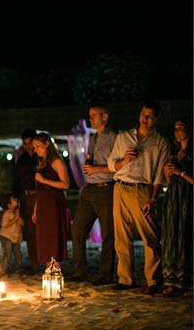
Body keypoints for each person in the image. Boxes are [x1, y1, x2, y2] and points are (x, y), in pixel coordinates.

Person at [107, 101, 170, 294]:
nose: (145, 118)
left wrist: (152, 198)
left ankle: (153, 280)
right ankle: (125, 278)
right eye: (143, 113)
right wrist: (123, 161)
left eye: (150, 115)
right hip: (120, 187)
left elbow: (160, 174)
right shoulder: (124, 137)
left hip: (142, 189)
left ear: (156, 119)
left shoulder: (160, 142)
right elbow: (111, 163)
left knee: (149, 236)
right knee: (121, 236)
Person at [70, 103, 118, 285]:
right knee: (77, 231)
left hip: (106, 188)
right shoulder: (93, 138)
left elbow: (119, 167)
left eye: (94, 115)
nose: (90, 119)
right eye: (90, 116)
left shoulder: (114, 138)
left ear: (104, 117)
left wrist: (97, 168)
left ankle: (105, 274)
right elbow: (89, 160)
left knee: (108, 235)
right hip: (89, 189)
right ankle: (80, 272)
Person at [160, 117, 193, 297]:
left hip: (188, 200)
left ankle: (188, 283)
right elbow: (168, 181)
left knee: (186, 239)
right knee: (172, 238)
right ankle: (172, 281)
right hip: (174, 200)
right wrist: (167, 175)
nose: (177, 131)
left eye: (180, 127)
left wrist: (181, 173)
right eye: (175, 128)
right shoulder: (174, 154)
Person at [32, 133, 70, 268]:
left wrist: (44, 180)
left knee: (53, 239)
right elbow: (39, 189)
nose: (35, 149)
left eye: (38, 146)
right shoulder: (41, 163)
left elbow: (65, 184)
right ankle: (49, 271)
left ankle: (55, 271)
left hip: (53, 205)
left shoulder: (56, 161)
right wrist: (36, 209)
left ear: (47, 144)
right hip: (43, 205)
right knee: (45, 240)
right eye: (34, 147)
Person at [15, 129, 39, 274]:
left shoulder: (41, 157)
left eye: (30, 143)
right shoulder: (22, 159)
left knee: (42, 232)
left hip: (39, 196)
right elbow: (17, 180)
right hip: (25, 197)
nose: (28, 146)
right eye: (25, 143)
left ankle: (48, 263)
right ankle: (35, 266)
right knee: (30, 234)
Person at [0, 192, 24, 276]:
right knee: (7, 254)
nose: (16, 201)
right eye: (14, 200)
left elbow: (22, 223)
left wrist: (18, 217)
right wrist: (15, 218)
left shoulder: (16, 213)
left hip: (15, 237)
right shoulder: (7, 213)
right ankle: (3, 270)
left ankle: (19, 269)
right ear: (9, 205)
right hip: (6, 236)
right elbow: (4, 224)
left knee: (18, 253)